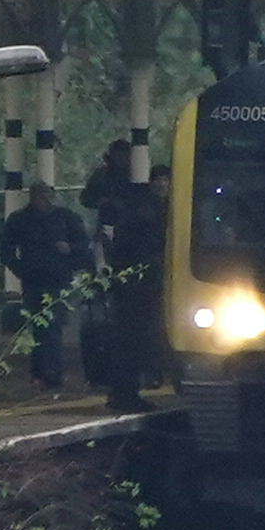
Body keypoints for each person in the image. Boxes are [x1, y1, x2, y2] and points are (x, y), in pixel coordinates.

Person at [83, 139, 166, 402]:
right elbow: (88, 199)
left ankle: (132, 383)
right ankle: (128, 387)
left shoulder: (141, 198)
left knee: (133, 331)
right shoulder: (142, 207)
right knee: (132, 332)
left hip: (131, 272)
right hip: (135, 275)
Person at [0, 175, 92, 394]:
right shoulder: (20, 220)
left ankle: (50, 372)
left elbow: (83, 244)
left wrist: (69, 249)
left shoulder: (65, 218)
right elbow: (7, 250)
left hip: (57, 277)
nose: (44, 200)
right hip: (34, 278)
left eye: (47, 196)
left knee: (53, 325)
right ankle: (44, 371)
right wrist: (20, 269)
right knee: (40, 325)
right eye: (40, 196)